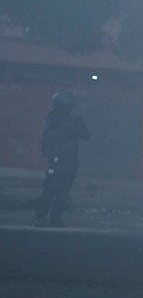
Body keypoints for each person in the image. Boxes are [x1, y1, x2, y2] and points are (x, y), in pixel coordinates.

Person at [34, 90, 90, 228]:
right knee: (51, 188)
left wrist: (74, 126)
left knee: (63, 191)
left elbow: (85, 135)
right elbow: (49, 136)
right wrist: (66, 128)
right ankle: (41, 215)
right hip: (56, 159)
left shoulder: (75, 119)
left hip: (70, 160)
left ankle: (56, 218)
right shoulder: (52, 119)